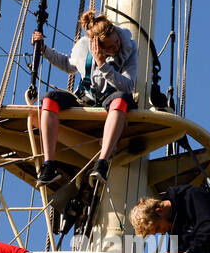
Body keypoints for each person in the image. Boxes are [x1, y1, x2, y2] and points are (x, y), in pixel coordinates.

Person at [31, 11, 138, 189]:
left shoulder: (128, 49)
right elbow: (68, 64)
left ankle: (102, 163)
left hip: (112, 100)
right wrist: (44, 49)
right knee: (49, 99)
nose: (116, 48)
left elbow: (127, 86)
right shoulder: (84, 47)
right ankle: (49, 165)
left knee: (121, 99)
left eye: (116, 42)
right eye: (110, 47)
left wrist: (104, 66)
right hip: (85, 98)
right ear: (97, 47)